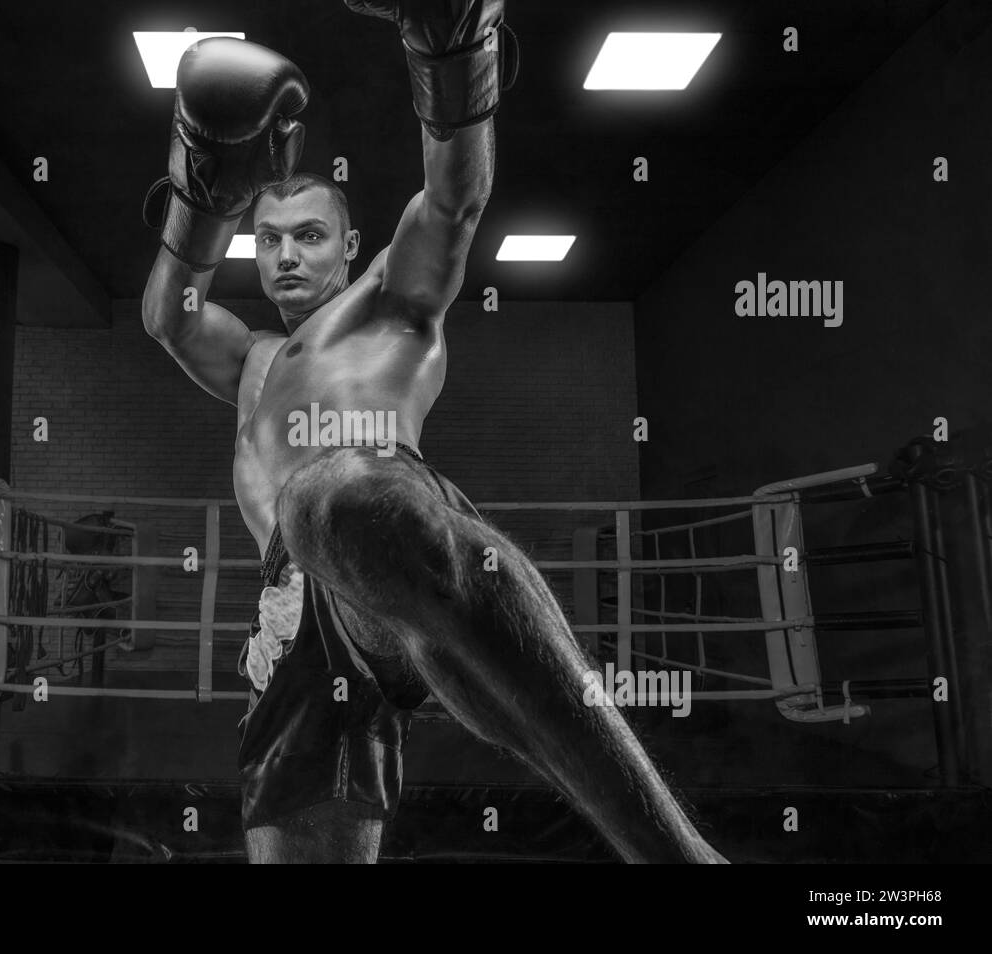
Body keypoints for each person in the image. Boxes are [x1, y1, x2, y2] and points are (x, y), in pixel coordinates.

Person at [141, 1, 727, 864]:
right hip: (289, 614)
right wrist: (202, 196)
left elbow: (455, 199)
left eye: (309, 236)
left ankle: (679, 858)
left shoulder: (386, 304)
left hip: (377, 507)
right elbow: (168, 317)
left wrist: (452, 48)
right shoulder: (254, 359)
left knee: (335, 500)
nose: (287, 257)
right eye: (267, 241)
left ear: (351, 246)